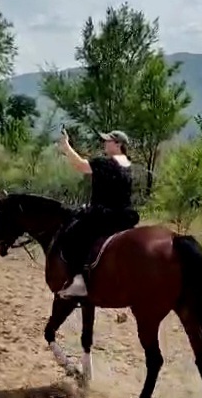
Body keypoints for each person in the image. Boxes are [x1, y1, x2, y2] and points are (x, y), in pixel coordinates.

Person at [57, 127, 140, 298]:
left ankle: (79, 281)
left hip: (105, 215)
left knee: (72, 235)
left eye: (108, 141)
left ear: (118, 144)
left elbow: (80, 165)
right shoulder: (127, 163)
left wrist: (66, 147)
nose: (104, 143)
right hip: (125, 216)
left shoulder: (106, 163)